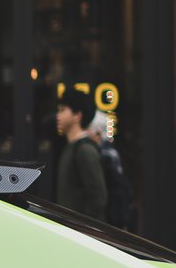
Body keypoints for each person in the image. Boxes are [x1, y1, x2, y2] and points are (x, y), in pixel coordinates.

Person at [52, 93, 107, 222]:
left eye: (62, 110)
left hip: (80, 232)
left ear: (77, 116)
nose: (57, 115)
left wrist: (82, 227)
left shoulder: (85, 150)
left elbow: (98, 198)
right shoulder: (71, 147)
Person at [84, 111, 136, 232]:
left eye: (88, 129)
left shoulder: (105, 155)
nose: (86, 133)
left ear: (98, 133)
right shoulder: (110, 153)